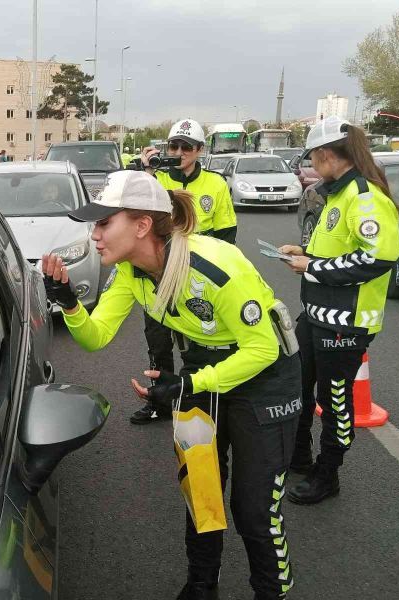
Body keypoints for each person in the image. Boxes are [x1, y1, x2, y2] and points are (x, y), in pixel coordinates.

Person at [42, 169, 301, 600]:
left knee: (254, 511)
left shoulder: (216, 266)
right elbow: (96, 336)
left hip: (264, 379)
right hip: (199, 371)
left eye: (104, 223)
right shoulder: (130, 272)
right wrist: (68, 301)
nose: (94, 236)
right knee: (200, 492)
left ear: (143, 225)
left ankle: (272, 592)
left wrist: (189, 383)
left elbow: (262, 350)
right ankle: (202, 583)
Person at [277, 117, 399, 505]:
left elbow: (377, 257)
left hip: (345, 322)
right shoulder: (336, 195)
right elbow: (339, 252)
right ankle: (299, 456)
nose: (313, 165)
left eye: (314, 157)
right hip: (316, 314)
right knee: (295, 383)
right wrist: (307, 254)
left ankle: (327, 473)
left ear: (328, 154)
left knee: (334, 400)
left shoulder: (364, 197)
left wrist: (312, 267)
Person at [132, 118, 238, 425]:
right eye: (174, 146)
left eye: (187, 147)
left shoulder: (216, 184)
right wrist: (148, 172)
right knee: (158, 341)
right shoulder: (157, 180)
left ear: (200, 150)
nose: (180, 152)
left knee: (199, 344)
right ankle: (160, 401)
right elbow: (138, 217)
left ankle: (198, 399)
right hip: (159, 277)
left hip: (198, 278)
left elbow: (228, 236)